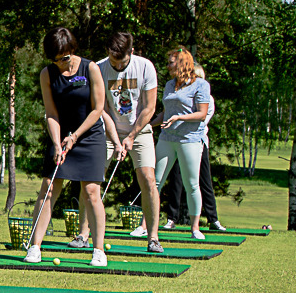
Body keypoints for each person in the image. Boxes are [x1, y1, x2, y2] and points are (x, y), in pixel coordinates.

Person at [22, 28, 109, 267]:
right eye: (55, 60)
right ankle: (35, 246)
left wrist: (75, 137)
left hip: (89, 136)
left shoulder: (90, 68)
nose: (61, 64)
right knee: (48, 188)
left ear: (72, 50)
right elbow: (51, 113)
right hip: (61, 136)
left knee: (91, 191)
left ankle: (99, 250)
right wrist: (57, 142)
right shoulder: (47, 74)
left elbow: (98, 109)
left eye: (65, 58)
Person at [73, 32, 163, 254]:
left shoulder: (145, 67)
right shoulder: (100, 68)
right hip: (106, 130)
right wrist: (115, 138)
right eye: (113, 61)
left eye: (121, 62)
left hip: (140, 130)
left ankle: (153, 237)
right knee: (91, 181)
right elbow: (99, 107)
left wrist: (131, 136)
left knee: (148, 179)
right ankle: (83, 235)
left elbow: (150, 108)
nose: (117, 66)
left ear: (131, 52)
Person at [152, 47, 211, 241]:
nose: (168, 66)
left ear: (182, 63)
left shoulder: (200, 85)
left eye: (171, 62)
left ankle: (195, 228)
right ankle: (146, 226)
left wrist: (180, 117)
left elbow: (202, 114)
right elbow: (165, 113)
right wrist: (145, 124)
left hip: (190, 140)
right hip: (167, 138)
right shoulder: (169, 84)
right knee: (154, 182)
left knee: (191, 184)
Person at [162, 62, 225, 231]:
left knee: (202, 181)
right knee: (175, 180)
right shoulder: (175, 90)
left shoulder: (207, 97)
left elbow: (202, 119)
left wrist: (180, 118)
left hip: (197, 142)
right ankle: (171, 218)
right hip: (175, 140)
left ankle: (213, 219)